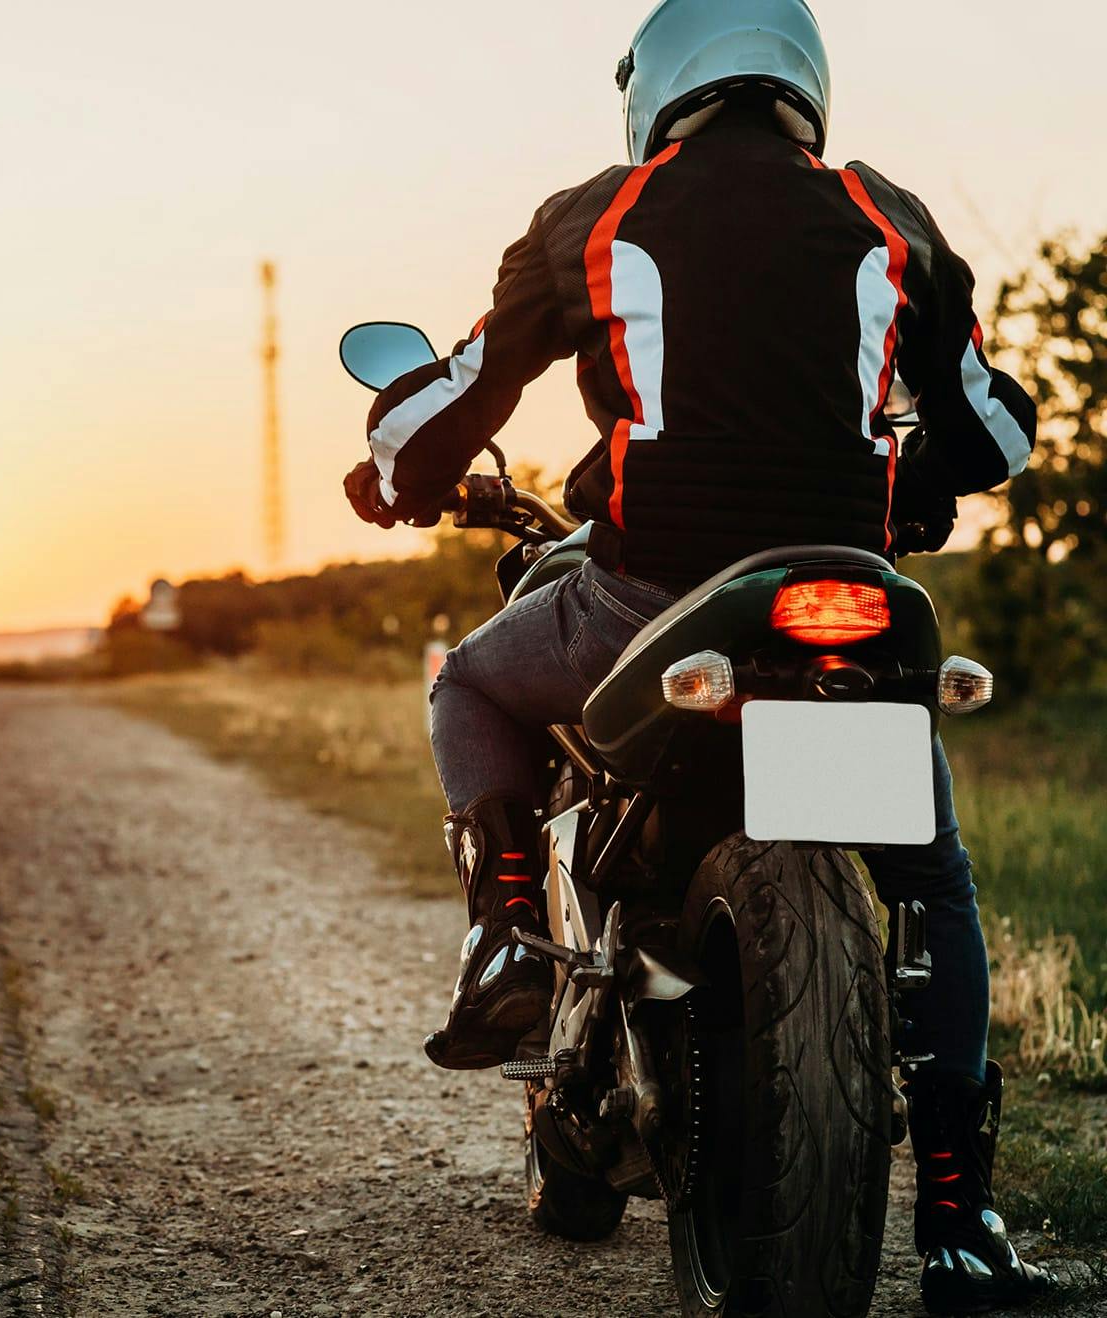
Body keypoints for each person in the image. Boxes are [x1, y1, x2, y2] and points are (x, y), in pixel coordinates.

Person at [341, 0, 1055, 1310]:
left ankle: (506, 938)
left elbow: (462, 390)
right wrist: (925, 477)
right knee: (935, 877)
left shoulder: (600, 214)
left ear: (658, 85)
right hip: (852, 598)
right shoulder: (888, 214)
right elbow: (995, 433)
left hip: (650, 595)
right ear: (802, 84)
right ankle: (959, 1218)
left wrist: (392, 472)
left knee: (472, 683)